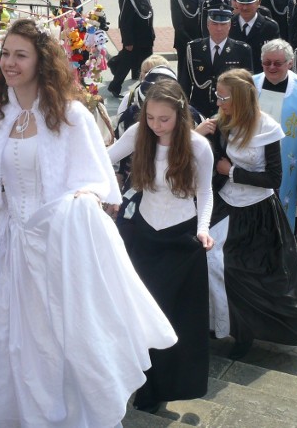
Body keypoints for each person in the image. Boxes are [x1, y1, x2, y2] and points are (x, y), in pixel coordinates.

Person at [0, 18, 177, 427]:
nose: (9, 63)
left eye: (20, 55)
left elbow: (99, 181)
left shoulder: (71, 116)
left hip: (55, 246)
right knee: (2, 341)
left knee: (55, 343)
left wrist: (85, 197)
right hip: (7, 243)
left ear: (41, 61)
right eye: (6, 54)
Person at [108, 78, 214, 414]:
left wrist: (203, 229)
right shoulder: (139, 133)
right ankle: (135, 381)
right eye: (150, 118)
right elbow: (101, 158)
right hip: (143, 236)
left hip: (182, 241)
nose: (155, 126)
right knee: (137, 315)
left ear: (180, 114)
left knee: (171, 319)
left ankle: (162, 387)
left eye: (163, 119)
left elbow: (205, 193)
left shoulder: (199, 147)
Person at [206, 68, 297, 359]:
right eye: (217, 96)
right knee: (220, 268)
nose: (218, 103)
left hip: (259, 217)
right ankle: (223, 325)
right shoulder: (223, 123)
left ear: (240, 98)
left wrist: (232, 172)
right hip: (227, 207)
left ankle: (247, 335)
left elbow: (273, 179)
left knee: (251, 278)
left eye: (223, 97)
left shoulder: (266, 128)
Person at [253, 39, 297, 230]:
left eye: (277, 63)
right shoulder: (249, 85)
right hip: (252, 166)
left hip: (285, 168)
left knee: (280, 221)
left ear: (290, 63)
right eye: (267, 63)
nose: (271, 67)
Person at [187, 6, 253, 118]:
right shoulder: (194, 48)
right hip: (200, 111)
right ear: (207, 25)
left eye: (223, 25)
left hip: (229, 111)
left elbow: (247, 86)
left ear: (229, 26)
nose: (219, 29)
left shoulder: (242, 50)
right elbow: (185, 82)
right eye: (214, 24)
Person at [108, 0, 154, 98]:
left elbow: (149, 15)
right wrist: (128, 41)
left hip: (146, 38)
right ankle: (115, 87)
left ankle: (147, 88)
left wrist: (152, 34)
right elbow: (125, 22)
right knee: (125, 65)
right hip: (134, 40)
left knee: (148, 64)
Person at [170, 0, 206, 98]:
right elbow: (178, 24)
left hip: (201, 39)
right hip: (185, 41)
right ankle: (182, 97)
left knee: (199, 70)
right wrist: (190, 41)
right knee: (184, 73)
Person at [229, 0, 280, 74]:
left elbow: (276, 56)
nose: (244, 8)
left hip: (260, 77)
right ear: (236, 3)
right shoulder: (228, 25)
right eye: (241, 3)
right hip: (235, 79)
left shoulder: (270, 27)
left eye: (248, 4)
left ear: (258, 3)